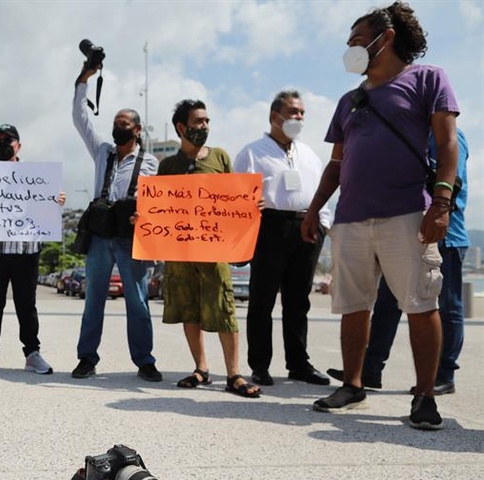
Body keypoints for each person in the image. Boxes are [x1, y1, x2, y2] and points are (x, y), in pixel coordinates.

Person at [301, 1, 459, 430]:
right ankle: (353, 385)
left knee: (421, 304)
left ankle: (424, 396)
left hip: (408, 212)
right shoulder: (349, 100)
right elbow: (336, 163)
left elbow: (447, 147)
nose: (350, 49)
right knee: (353, 306)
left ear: (384, 38)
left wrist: (441, 204)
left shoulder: (428, 79)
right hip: (351, 218)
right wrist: (315, 208)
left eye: (356, 40)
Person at [326, 128, 470, 395]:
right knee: (386, 302)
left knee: (445, 306)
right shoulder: (412, 134)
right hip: (407, 230)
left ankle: (444, 374)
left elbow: (451, 181)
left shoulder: (447, 135)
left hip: (445, 234)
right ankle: (370, 368)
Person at [159, 99, 261, 398]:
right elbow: (160, 208)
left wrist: (251, 206)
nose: (204, 126)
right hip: (181, 253)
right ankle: (201, 369)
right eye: (198, 122)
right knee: (189, 309)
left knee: (224, 307)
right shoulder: (168, 166)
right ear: (181, 127)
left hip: (214, 252)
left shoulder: (220, 157)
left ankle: (233, 374)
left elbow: (234, 199)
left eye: (206, 121)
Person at [233, 91, 332, 387]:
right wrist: (248, 209)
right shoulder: (251, 153)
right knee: (262, 300)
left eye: (302, 112)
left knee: (298, 301)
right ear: (275, 116)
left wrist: (322, 226)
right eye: (293, 112)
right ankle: (260, 365)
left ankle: (298, 363)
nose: (299, 117)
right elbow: (237, 197)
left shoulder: (310, 154)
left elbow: (322, 194)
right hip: (269, 228)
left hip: (307, 227)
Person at [71, 61, 161, 382]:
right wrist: (84, 79)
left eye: (123, 123)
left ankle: (144, 360)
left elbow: (156, 201)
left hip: (130, 236)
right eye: (114, 122)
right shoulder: (102, 152)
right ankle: (86, 357)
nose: (117, 127)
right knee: (93, 298)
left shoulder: (149, 161)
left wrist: (145, 216)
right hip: (99, 237)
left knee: (137, 300)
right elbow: (81, 119)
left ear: (137, 130)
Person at [0, 124, 64, 376]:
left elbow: (45, 212)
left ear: (19, 145)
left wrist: (56, 202)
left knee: (26, 305)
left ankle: (32, 354)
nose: (3, 143)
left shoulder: (36, 176)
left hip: (26, 250)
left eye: (8, 139)